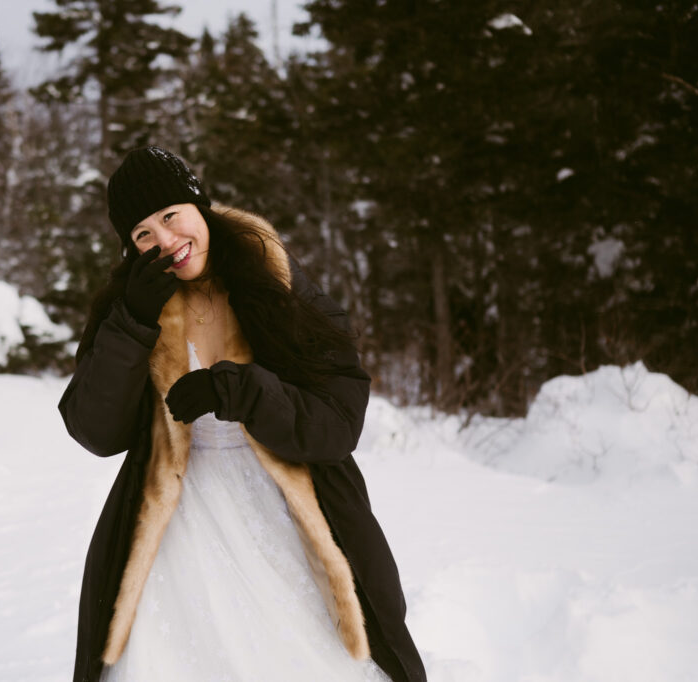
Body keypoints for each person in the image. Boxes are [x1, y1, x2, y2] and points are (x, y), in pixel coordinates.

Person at [58, 146, 426, 682]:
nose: (164, 241)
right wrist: (133, 322)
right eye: (141, 234)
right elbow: (95, 430)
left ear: (199, 205)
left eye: (169, 216)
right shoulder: (129, 306)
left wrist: (244, 392)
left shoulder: (274, 280)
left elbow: (339, 421)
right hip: (179, 520)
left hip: (288, 510)